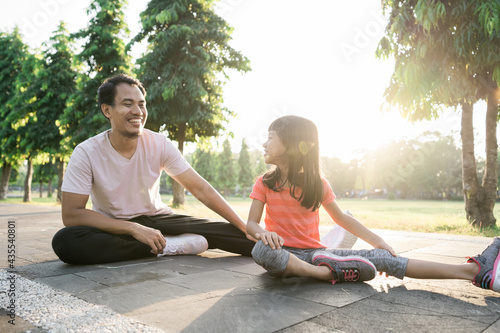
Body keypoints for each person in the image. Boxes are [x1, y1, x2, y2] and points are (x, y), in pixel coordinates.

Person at [247, 115, 500, 292]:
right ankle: (326, 274)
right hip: (282, 253)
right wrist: (263, 233)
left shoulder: (318, 184)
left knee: (382, 258)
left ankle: (474, 272)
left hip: (316, 254)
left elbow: (342, 219)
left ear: (291, 144)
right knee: (260, 250)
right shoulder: (264, 183)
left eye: (270, 137)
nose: (264, 143)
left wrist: (378, 242)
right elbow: (251, 224)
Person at [52, 74, 255, 265]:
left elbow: (200, 189)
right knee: (66, 241)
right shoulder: (86, 152)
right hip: (116, 226)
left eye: (141, 105)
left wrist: (244, 226)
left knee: (237, 234)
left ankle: (283, 250)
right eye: (127, 104)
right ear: (107, 110)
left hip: (158, 218)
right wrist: (133, 228)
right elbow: (72, 214)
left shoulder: (159, 143)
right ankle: (170, 246)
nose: (138, 112)